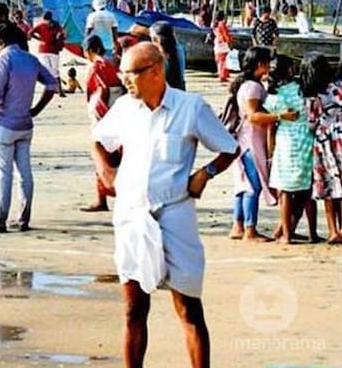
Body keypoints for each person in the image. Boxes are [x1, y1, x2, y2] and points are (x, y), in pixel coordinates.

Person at [91, 42, 239, 368]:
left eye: (130, 74)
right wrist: (105, 169)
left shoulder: (190, 107)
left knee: (188, 307)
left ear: (155, 72)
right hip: (131, 214)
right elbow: (98, 139)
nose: (124, 80)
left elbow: (230, 148)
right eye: (123, 73)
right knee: (133, 308)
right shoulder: (125, 109)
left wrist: (205, 173)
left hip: (174, 213)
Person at [0, 22, 58, 233]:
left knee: (4, 174)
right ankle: (23, 218)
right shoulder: (30, 59)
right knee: (25, 173)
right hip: (25, 123)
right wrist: (36, 109)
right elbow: (52, 85)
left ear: (1, 41)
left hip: (4, 124)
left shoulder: (2, 61)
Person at [230, 46, 288, 242]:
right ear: (260, 65)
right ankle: (249, 229)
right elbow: (253, 115)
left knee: (243, 184)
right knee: (252, 186)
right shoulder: (253, 87)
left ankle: (238, 225)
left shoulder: (246, 85)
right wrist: (280, 116)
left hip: (244, 139)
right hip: (251, 141)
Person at [267, 55, 317, 243]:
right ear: (289, 70)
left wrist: (270, 153)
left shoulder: (274, 94)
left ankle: (286, 234)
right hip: (305, 139)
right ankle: (312, 233)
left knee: (285, 190)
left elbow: (270, 127)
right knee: (308, 188)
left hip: (285, 142)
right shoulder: (302, 90)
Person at [81, 35, 124, 212]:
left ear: (89, 51)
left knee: (102, 156)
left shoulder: (97, 66)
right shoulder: (113, 62)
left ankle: (103, 198)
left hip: (105, 112)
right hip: (119, 110)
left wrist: (100, 115)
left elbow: (99, 91)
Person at [305, 52, 342, 244]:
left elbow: (311, 123)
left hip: (323, 140)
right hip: (340, 138)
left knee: (328, 185)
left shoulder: (312, 96)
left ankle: (332, 230)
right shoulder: (337, 87)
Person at [29, 11, 67, 97]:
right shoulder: (41, 25)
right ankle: (53, 88)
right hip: (43, 51)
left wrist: (59, 37)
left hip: (54, 51)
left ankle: (59, 90)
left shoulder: (57, 25)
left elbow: (64, 33)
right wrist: (40, 39)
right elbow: (30, 33)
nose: (46, 23)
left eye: (48, 21)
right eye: (45, 21)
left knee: (55, 71)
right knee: (48, 69)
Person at [150, 22, 186, 91]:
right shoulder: (179, 49)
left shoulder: (157, 56)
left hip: (164, 91)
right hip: (180, 89)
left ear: (155, 39)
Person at [212, 11, 233, 83]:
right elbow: (225, 35)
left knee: (220, 61)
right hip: (223, 44)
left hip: (217, 44)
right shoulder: (222, 24)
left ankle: (221, 74)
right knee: (223, 61)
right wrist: (230, 41)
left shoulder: (215, 25)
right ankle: (223, 76)